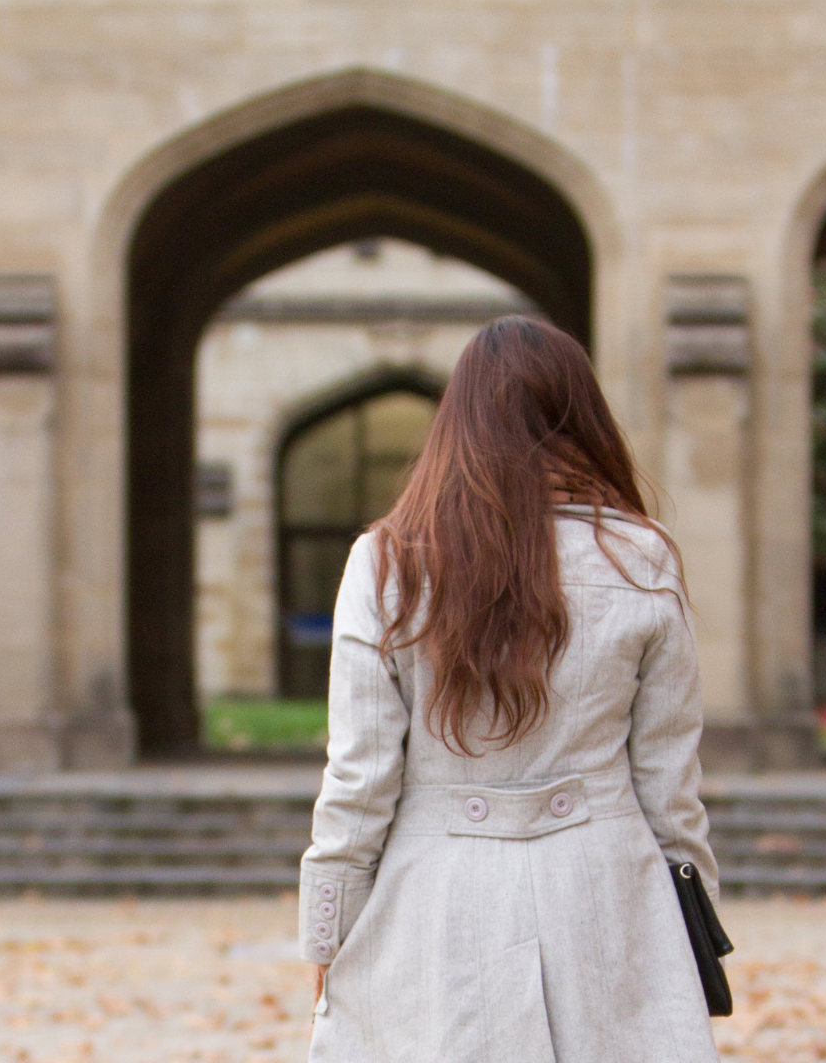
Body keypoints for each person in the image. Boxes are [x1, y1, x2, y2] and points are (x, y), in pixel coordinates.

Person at [298, 316, 721, 1063]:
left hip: (437, 896)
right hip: (609, 892)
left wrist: (326, 937)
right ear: (583, 417)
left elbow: (359, 781)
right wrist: (693, 925)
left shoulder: (388, 563)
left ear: (455, 425)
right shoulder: (642, 558)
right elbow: (669, 787)